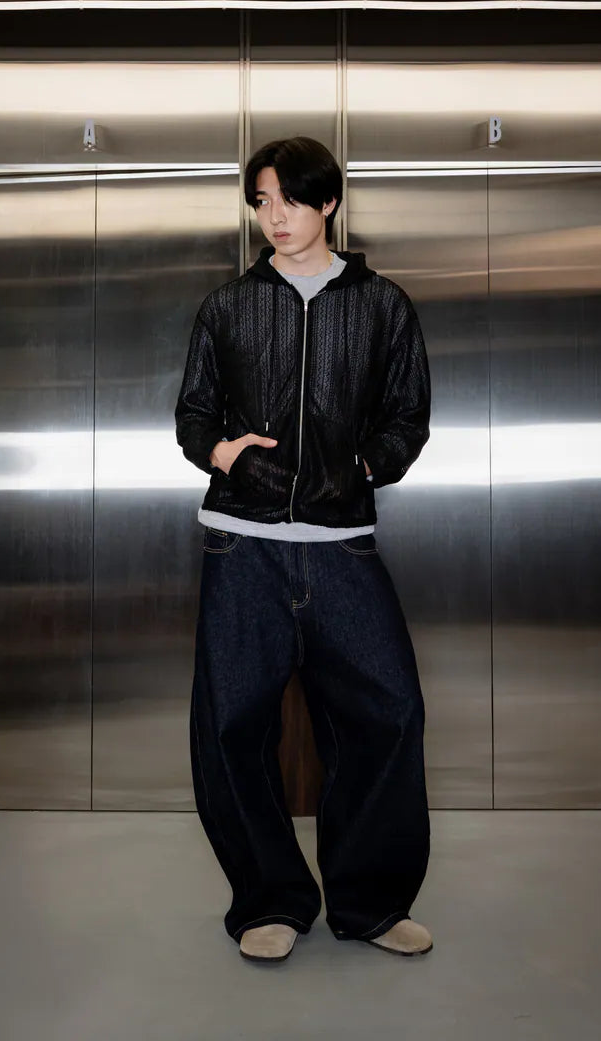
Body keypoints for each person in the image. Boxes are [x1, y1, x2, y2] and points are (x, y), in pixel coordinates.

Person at [174, 136, 432, 964]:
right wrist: (226, 456)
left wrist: (364, 466)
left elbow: (407, 417)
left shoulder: (382, 305)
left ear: (328, 202)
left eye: (288, 198)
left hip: (341, 548)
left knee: (388, 714)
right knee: (231, 728)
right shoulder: (228, 307)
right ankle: (269, 901)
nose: (273, 216)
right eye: (260, 201)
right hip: (242, 546)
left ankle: (371, 904)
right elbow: (194, 416)